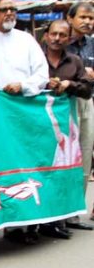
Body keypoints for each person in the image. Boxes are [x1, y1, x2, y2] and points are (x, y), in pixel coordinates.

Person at [41, 20, 94, 236]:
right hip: (42, 122)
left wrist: (68, 85)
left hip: (73, 118)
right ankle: (48, 217)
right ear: (46, 35)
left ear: (68, 38)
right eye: (53, 34)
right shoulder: (36, 58)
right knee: (48, 167)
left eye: (62, 35)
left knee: (77, 164)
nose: (57, 38)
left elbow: (87, 89)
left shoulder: (75, 61)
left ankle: (70, 214)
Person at [0, 0, 48, 96]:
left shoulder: (26, 39)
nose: (9, 13)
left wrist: (22, 86)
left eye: (12, 9)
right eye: (4, 10)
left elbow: (42, 74)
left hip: (22, 102)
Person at [65, 1, 94, 229]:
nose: (87, 22)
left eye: (91, 18)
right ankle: (61, 211)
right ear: (70, 18)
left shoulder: (92, 45)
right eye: (83, 17)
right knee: (66, 158)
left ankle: (76, 211)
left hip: (89, 101)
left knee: (85, 154)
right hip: (66, 103)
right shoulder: (61, 42)